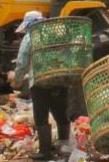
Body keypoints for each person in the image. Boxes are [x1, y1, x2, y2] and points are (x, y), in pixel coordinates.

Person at [13, 10, 72, 160]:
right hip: (60, 79)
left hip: (40, 81)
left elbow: (22, 61)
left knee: (41, 115)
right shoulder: (57, 34)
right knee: (61, 112)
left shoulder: (30, 36)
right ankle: (64, 145)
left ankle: (45, 151)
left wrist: (18, 78)